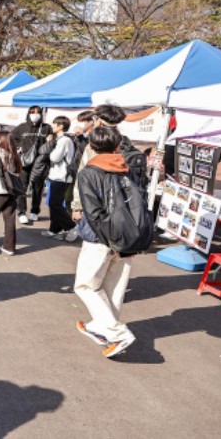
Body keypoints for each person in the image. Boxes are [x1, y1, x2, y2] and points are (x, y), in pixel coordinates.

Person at [73, 126, 139, 358]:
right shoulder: (128, 168)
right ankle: (104, 329)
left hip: (100, 237)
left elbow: (93, 212)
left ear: (91, 146)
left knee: (86, 285)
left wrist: (108, 237)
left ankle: (118, 334)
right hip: (128, 236)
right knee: (114, 290)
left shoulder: (89, 172)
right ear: (118, 146)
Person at [11, 106, 52, 224]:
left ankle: (35, 211)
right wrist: (19, 147)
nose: (35, 114)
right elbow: (12, 138)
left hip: (40, 162)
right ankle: (21, 212)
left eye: (38, 112)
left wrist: (50, 141)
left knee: (37, 188)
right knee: (22, 187)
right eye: (32, 112)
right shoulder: (21, 127)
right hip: (24, 163)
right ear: (28, 113)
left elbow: (52, 143)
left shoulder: (46, 128)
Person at [42, 116, 77, 240]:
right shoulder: (61, 139)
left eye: (54, 124)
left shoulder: (64, 140)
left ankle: (72, 226)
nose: (52, 126)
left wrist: (50, 145)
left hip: (61, 177)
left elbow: (54, 158)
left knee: (55, 204)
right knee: (54, 204)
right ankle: (55, 229)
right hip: (56, 176)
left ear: (61, 126)